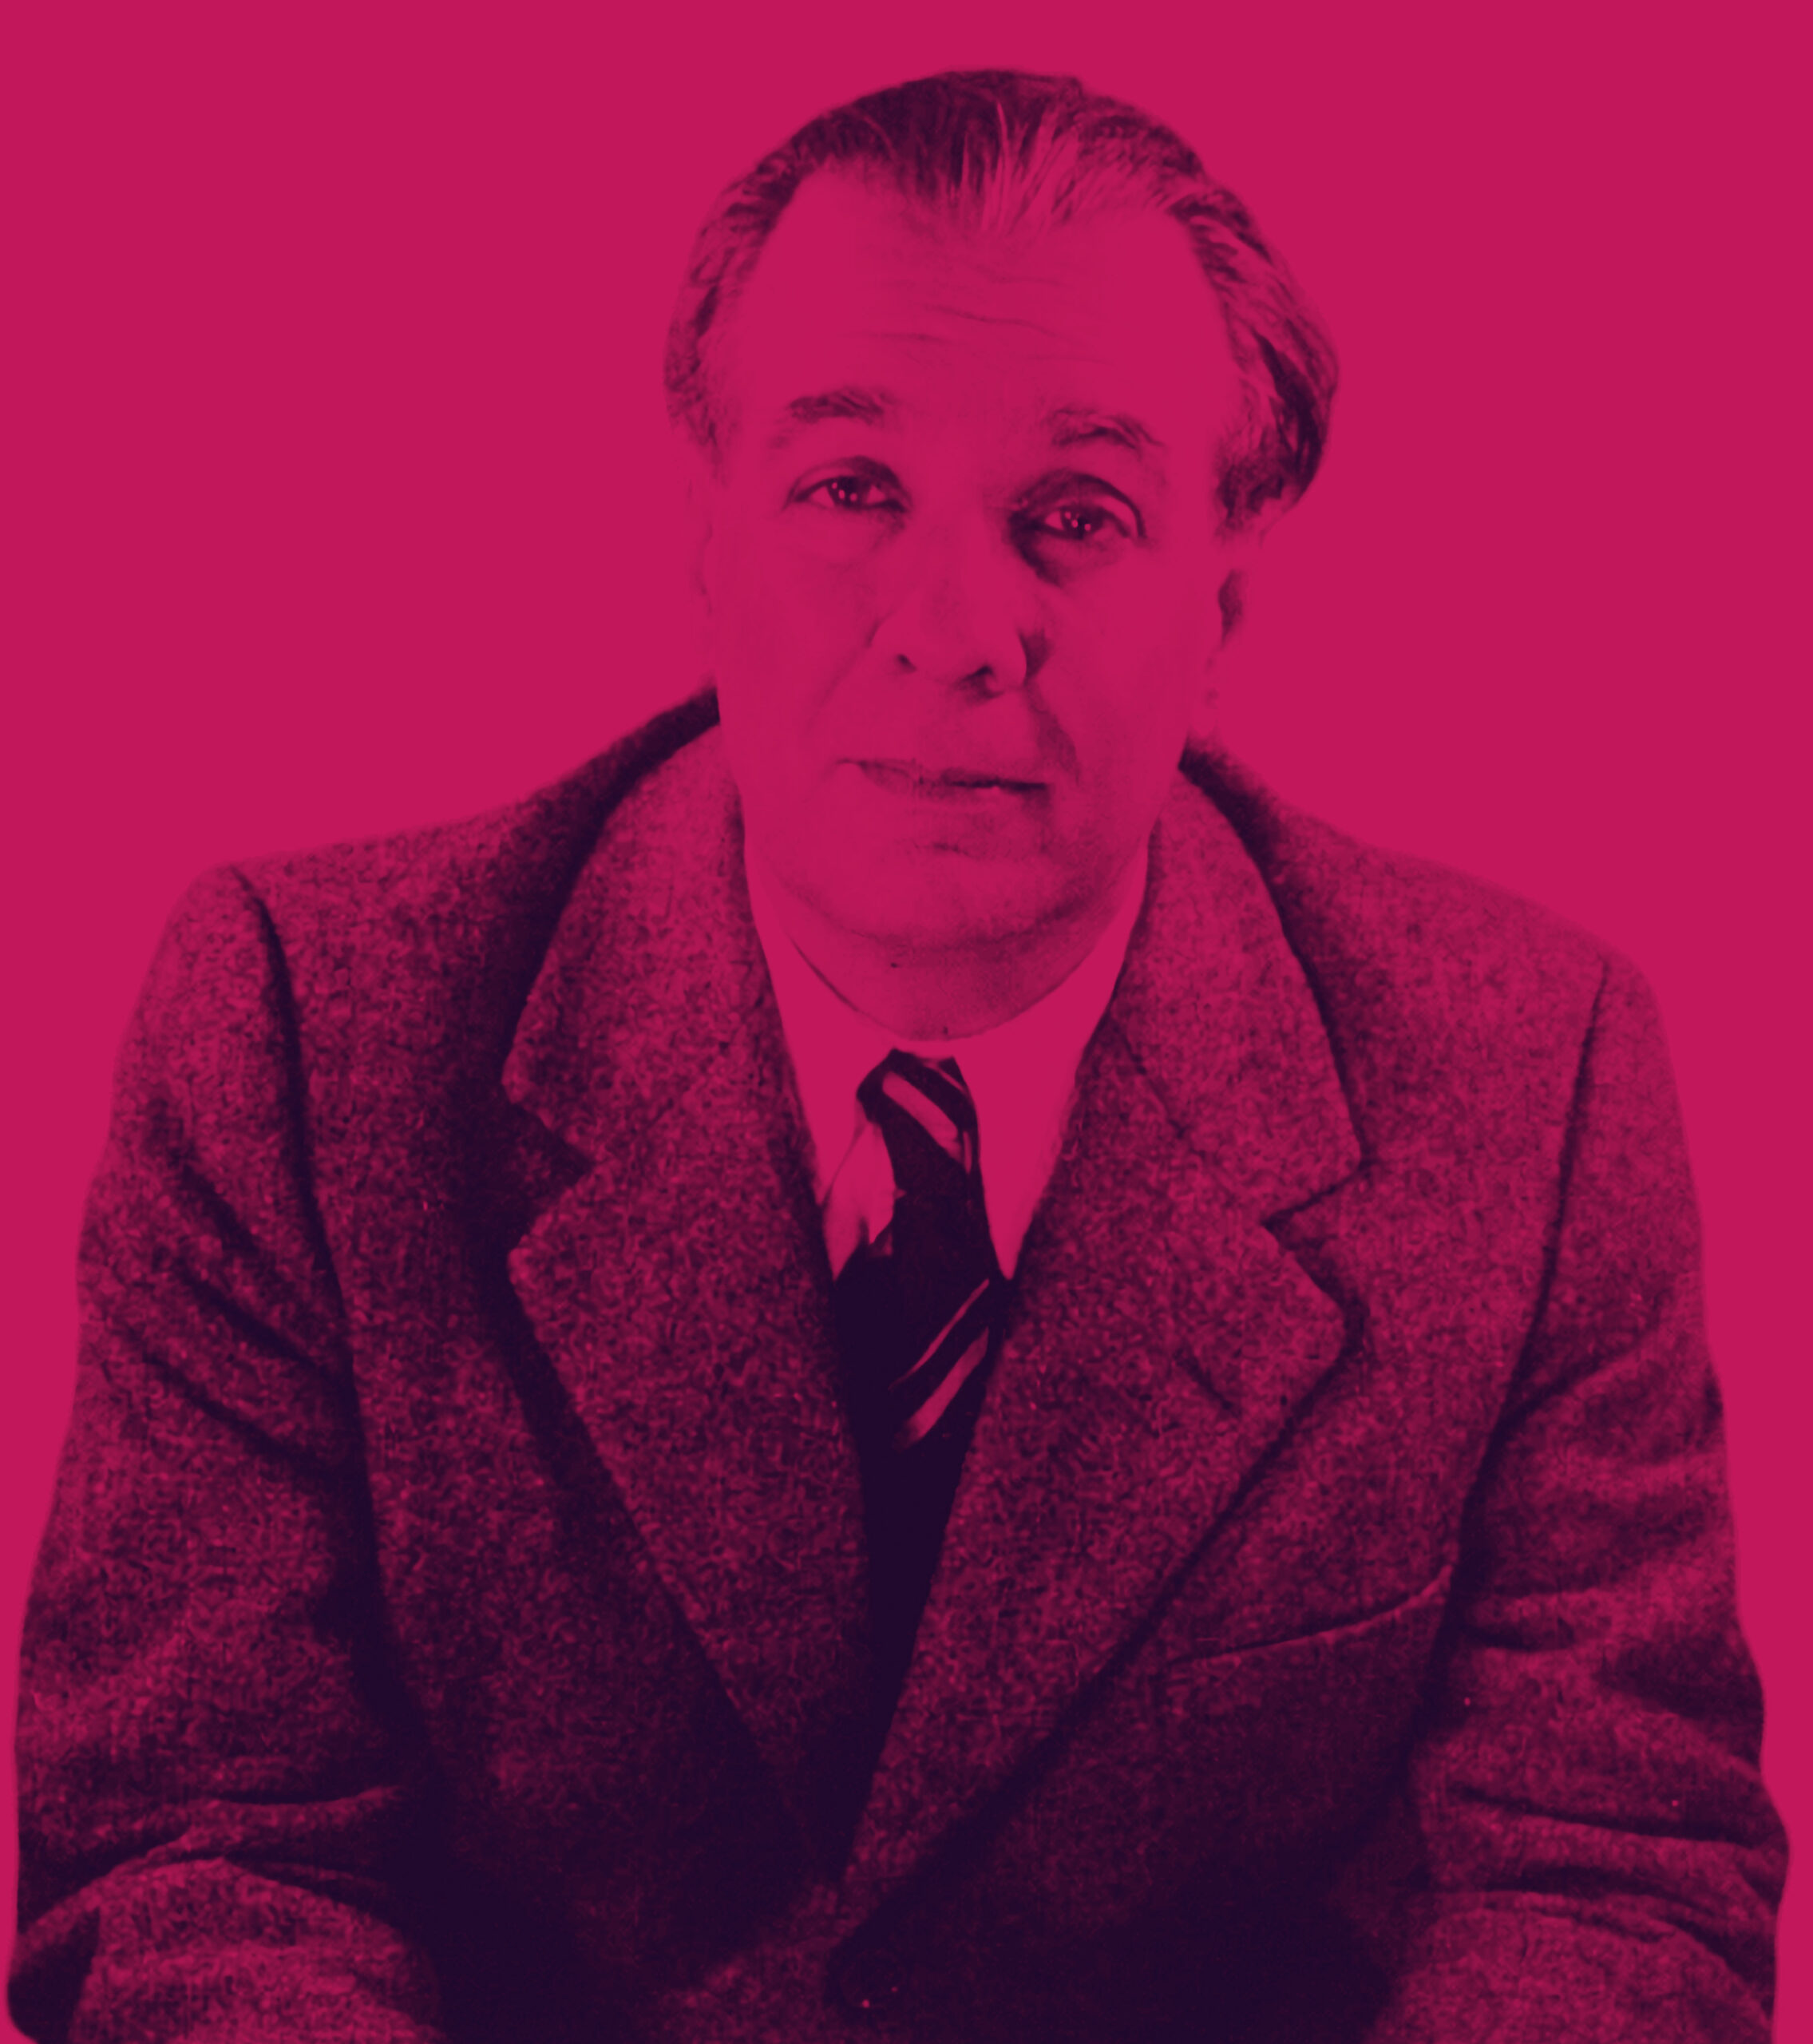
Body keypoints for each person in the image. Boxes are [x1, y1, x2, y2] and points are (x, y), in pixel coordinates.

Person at [10, 69, 1784, 2044]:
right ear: (704, 532)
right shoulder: (305, 1030)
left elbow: (1604, 1869)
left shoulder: (1525, 1075)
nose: (953, 629)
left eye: (1075, 516)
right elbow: (199, 1852)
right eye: (850, 488)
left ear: (1221, 598)